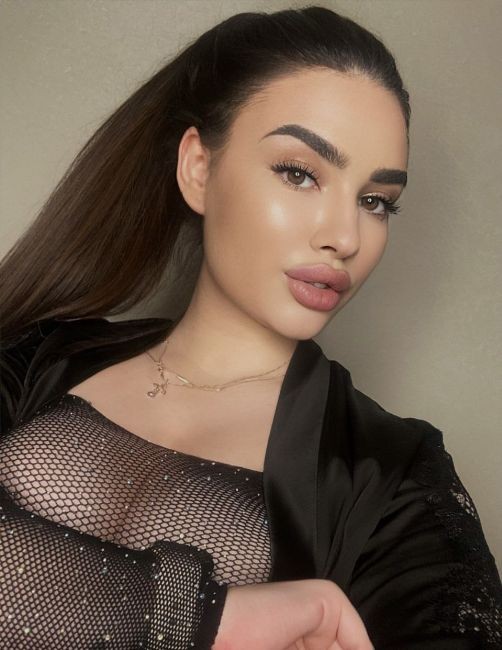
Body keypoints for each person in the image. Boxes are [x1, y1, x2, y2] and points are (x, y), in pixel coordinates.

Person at [0, 5, 500, 649]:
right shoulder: (39, 356)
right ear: (198, 168)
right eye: (300, 173)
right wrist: (213, 618)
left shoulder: (394, 478)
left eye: (375, 201)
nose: (345, 237)